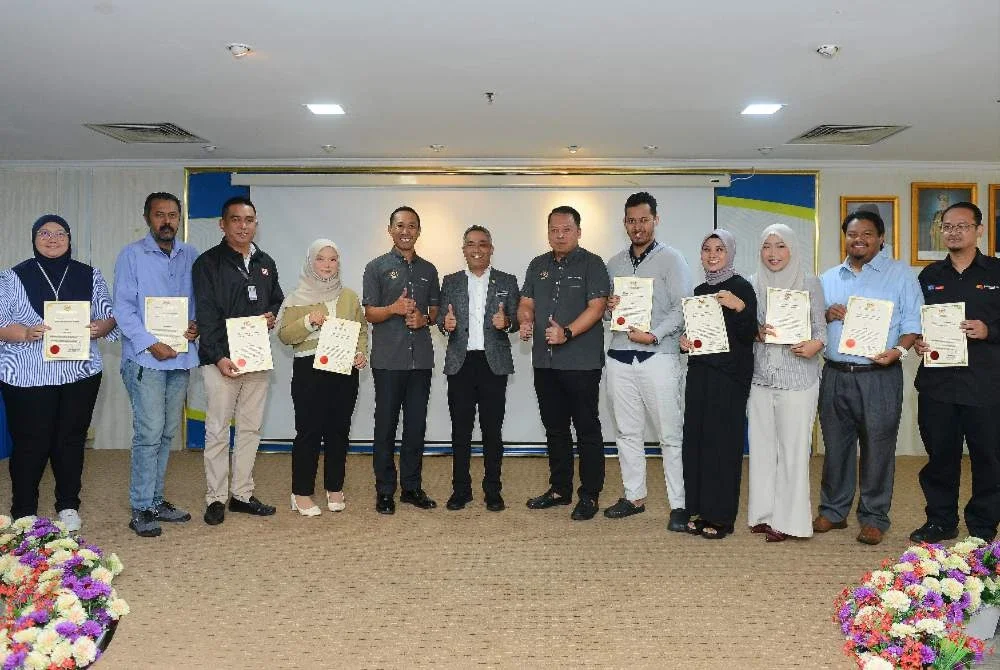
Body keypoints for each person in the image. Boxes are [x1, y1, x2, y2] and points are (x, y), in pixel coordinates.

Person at [0, 214, 118, 531]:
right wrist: (24, 334)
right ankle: (23, 509)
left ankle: (67, 505)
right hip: (27, 374)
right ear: (34, 238)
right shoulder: (11, 277)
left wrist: (98, 327)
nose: (52, 238)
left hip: (79, 373)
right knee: (30, 442)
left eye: (60, 233)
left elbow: (109, 317)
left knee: (70, 440)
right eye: (44, 233)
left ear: (69, 238)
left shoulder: (90, 275)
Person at [815, 210, 922, 545]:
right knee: (836, 447)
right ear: (844, 238)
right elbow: (812, 323)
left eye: (866, 234)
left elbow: (912, 324)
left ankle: (874, 517)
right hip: (835, 373)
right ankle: (834, 511)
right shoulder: (828, 278)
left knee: (878, 448)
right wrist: (824, 313)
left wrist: (899, 352)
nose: (858, 240)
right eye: (852, 234)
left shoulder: (900, 275)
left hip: (880, 374)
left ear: (880, 238)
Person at [910, 202, 1000, 543]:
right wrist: (918, 341)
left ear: (978, 230)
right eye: (947, 226)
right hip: (938, 385)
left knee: (989, 459)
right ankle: (940, 521)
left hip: (987, 386)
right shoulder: (929, 276)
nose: (953, 232)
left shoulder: (996, 272)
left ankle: (982, 526)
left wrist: (988, 330)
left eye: (962, 225)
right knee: (940, 457)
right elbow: (914, 322)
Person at [603, 192, 693, 532]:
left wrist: (654, 335)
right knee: (627, 432)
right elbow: (605, 316)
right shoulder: (614, 264)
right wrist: (609, 309)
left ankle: (680, 504)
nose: (637, 226)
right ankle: (633, 496)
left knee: (670, 435)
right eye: (631, 220)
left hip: (659, 357)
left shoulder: (673, 260)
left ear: (656, 220)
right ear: (624, 223)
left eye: (643, 219)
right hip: (619, 358)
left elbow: (682, 308)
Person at [192, 196, 284, 525]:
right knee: (217, 430)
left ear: (255, 224)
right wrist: (218, 357)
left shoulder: (265, 261)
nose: (243, 226)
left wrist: (271, 315)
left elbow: (276, 297)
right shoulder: (207, 263)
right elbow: (205, 314)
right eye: (236, 220)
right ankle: (216, 497)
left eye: (249, 220)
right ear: (223, 224)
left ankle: (242, 494)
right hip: (221, 361)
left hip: (256, 358)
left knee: (250, 429)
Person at [113, 192, 199, 537]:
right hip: (146, 360)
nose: (167, 221)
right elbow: (123, 308)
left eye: (173, 215)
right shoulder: (131, 255)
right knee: (148, 434)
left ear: (179, 219)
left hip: (179, 358)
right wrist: (152, 343)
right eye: (160, 215)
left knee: (166, 433)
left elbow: (196, 302)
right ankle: (141, 506)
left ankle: (156, 499)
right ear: (147, 218)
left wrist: (196, 326)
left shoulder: (190, 254)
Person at [518, 205, 610, 521]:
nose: (559, 235)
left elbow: (597, 307)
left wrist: (567, 332)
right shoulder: (537, 265)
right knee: (555, 429)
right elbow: (526, 303)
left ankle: (590, 495)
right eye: (554, 230)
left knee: (586, 428)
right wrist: (526, 320)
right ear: (548, 233)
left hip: (581, 362)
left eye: (566, 229)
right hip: (544, 362)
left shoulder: (593, 264)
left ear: (578, 232)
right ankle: (559, 490)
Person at [746, 224, 827, 542]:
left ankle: (791, 521)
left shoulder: (810, 283)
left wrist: (813, 346)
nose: (773, 253)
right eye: (767, 246)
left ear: (792, 248)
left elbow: (821, 330)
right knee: (763, 449)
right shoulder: (751, 284)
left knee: (793, 451)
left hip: (798, 377)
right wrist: (755, 332)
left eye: (780, 246)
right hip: (761, 378)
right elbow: (744, 329)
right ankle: (763, 515)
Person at [277, 239, 368, 517]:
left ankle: (335, 487)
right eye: (321, 259)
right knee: (309, 432)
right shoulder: (296, 297)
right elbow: (284, 335)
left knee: (339, 431)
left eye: (332, 259)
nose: (327, 265)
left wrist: (361, 354)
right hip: (309, 371)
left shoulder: (350, 296)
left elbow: (361, 330)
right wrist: (308, 322)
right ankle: (301, 493)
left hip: (344, 371)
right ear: (310, 262)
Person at [679, 230, 757, 539]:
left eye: (719, 249)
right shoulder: (699, 290)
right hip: (700, 375)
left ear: (730, 253)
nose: (712, 255)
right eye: (707, 249)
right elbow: (696, 333)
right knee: (696, 444)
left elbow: (750, 333)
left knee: (722, 447)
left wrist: (739, 307)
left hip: (728, 378)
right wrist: (685, 342)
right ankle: (698, 509)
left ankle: (722, 516)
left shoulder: (742, 288)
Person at [362, 206, 440, 515]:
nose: (406, 231)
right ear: (390, 230)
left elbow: (435, 310)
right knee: (385, 428)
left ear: (419, 231)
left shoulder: (429, 269)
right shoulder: (376, 267)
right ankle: (384, 491)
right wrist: (393, 308)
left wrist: (424, 319)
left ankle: (411, 488)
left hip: (420, 362)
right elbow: (370, 313)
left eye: (412, 226)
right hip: (388, 361)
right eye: (400, 225)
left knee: (416, 428)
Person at [437, 225, 520, 512]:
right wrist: (444, 326)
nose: (477, 249)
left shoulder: (507, 281)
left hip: (492, 364)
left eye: (482, 244)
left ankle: (493, 491)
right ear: (463, 250)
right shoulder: (450, 281)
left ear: (491, 248)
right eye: (471, 244)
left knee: (492, 432)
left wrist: (507, 323)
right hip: (461, 363)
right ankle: (461, 490)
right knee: (460, 431)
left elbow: (518, 320)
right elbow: (440, 319)